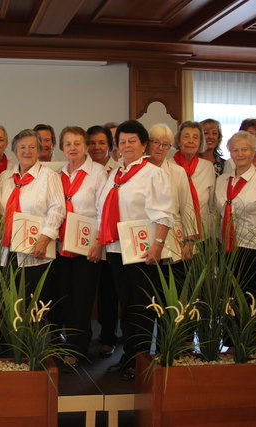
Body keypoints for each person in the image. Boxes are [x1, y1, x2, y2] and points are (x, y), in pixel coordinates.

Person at [88, 120, 173, 381]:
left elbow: (164, 214)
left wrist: (157, 246)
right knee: (127, 305)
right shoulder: (115, 174)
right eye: (122, 141)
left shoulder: (152, 173)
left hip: (142, 250)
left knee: (142, 307)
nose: (126, 145)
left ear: (144, 144)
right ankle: (129, 357)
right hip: (116, 249)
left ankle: (139, 361)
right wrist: (98, 242)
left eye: (132, 141)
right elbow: (103, 210)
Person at [55, 126, 107, 370]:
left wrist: (98, 242)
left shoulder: (97, 172)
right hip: (62, 245)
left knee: (82, 298)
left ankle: (77, 350)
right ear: (62, 148)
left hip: (87, 246)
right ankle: (68, 345)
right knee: (65, 297)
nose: (73, 148)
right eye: (68, 144)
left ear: (86, 146)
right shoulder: (58, 174)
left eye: (77, 143)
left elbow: (102, 209)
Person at [0, 129, 65, 299]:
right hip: (5, 252)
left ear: (39, 150)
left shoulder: (49, 176)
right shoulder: (5, 177)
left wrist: (44, 240)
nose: (26, 151)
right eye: (22, 147)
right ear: (14, 151)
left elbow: (57, 210)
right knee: (8, 304)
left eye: (32, 147)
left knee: (34, 305)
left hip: (36, 251)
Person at [215, 131, 256, 295]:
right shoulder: (222, 180)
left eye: (244, 150)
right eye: (235, 150)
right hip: (225, 248)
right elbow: (219, 214)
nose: (240, 154)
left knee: (247, 300)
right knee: (226, 297)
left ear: (253, 152)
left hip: (252, 250)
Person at [86, 124, 119, 358]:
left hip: (112, 240)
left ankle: (108, 337)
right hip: (85, 239)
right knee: (85, 293)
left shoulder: (118, 170)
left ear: (110, 145)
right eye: (93, 142)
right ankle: (83, 337)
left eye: (101, 143)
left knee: (110, 291)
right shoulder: (81, 169)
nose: (96, 147)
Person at [148, 124, 196, 260]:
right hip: (143, 236)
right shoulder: (139, 170)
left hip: (173, 238)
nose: (160, 148)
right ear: (147, 143)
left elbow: (187, 207)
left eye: (165, 144)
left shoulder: (177, 172)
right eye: (156, 142)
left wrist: (190, 241)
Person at [172, 121, 216, 239]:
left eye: (195, 137)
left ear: (200, 143)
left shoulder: (207, 167)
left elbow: (211, 206)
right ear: (178, 141)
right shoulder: (168, 166)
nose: (191, 141)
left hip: (203, 234)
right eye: (186, 137)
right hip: (175, 234)